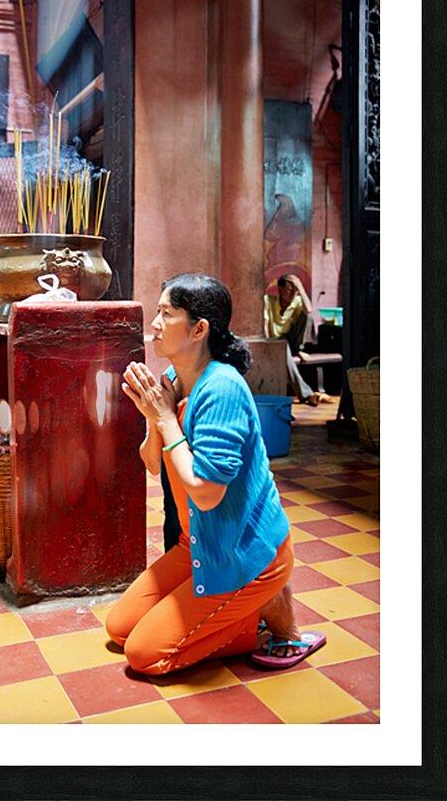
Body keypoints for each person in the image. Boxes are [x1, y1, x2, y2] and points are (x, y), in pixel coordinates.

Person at [105, 273, 326, 675]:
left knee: (143, 656)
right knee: (118, 629)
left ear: (199, 329)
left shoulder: (222, 389)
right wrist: (156, 420)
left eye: (166, 314)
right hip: (199, 546)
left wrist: (166, 421)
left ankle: (250, 618)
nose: (154, 323)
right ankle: (240, 612)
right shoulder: (174, 381)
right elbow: (153, 463)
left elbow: (206, 494)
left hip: (241, 552)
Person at [264, 274, 331, 406]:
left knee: (308, 316)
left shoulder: (297, 302)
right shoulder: (268, 300)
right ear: (280, 289)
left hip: (290, 340)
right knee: (284, 351)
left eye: (295, 290)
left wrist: (300, 287)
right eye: (289, 289)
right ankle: (307, 394)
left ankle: (298, 350)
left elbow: (309, 310)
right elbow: (265, 324)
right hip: (274, 342)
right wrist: (267, 345)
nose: (293, 293)